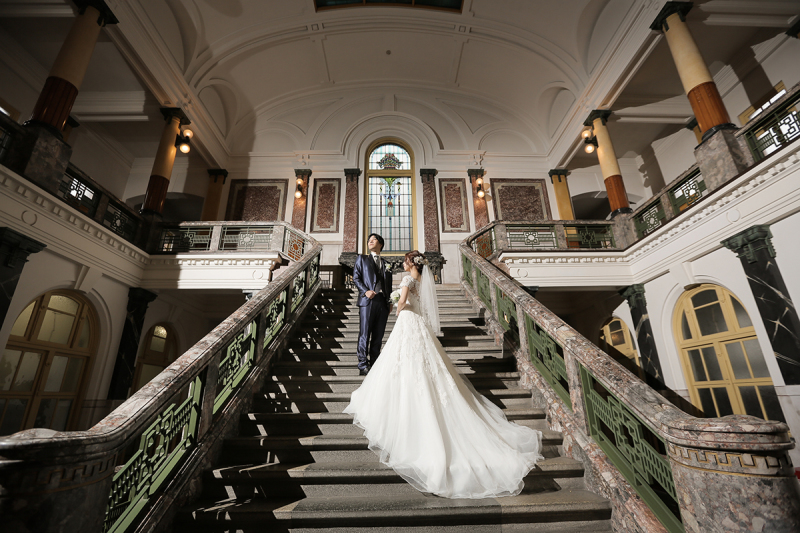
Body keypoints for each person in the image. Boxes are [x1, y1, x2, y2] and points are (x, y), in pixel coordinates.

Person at [344, 250, 543, 499]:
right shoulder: (419, 280)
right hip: (418, 325)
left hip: (407, 323)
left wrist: (396, 301)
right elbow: (419, 304)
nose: (403, 265)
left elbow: (403, 304)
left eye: (405, 262)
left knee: (402, 363)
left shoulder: (406, 281)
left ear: (409, 263)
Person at [352, 233, 393, 376]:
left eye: (374, 239)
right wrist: (365, 291)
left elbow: (389, 285)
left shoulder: (387, 263)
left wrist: (390, 301)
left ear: (380, 244)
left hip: (382, 302)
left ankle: (375, 363)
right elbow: (356, 278)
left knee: (378, 335)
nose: (370, 241)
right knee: (365, 333)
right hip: (367, 301)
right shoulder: (362, 259)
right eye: (369, 240)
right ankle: (363, 364)